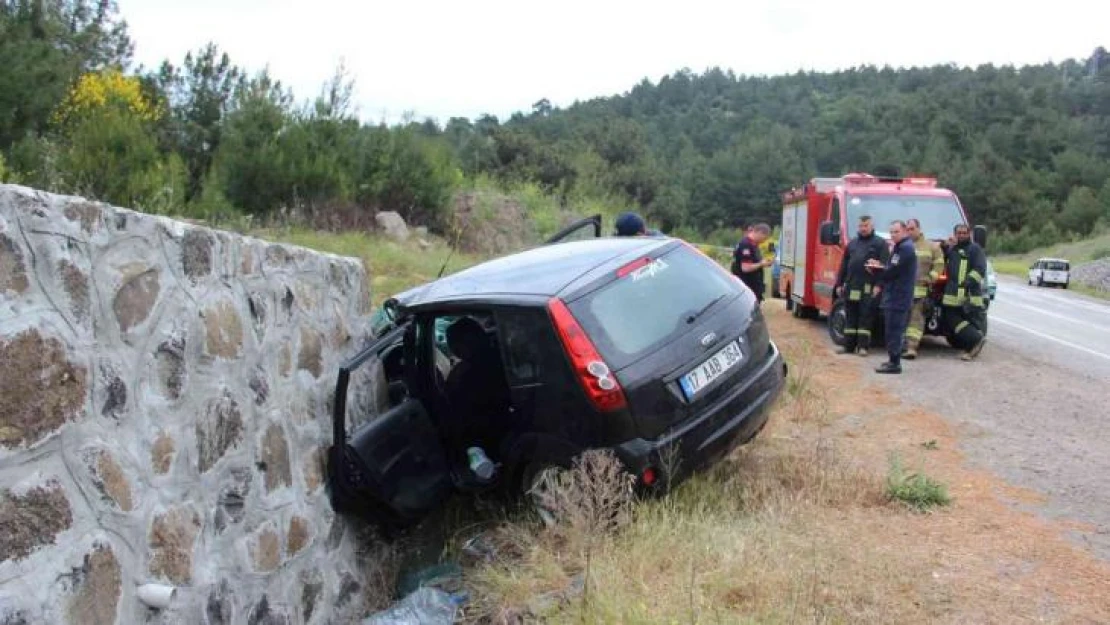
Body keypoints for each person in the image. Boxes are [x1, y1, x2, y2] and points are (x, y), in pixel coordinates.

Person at [867, 220, 917, 374]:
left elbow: (892, 271)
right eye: (891, 232)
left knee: (894, 330)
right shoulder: (899, 248)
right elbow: (891, 268)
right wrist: (880, 265)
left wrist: (876, 270)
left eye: (896, 232)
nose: (893, 235)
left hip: (898, 297)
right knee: (891, 330)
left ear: (904, 231)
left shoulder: (905, 249)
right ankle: (892, 360)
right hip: (895, 295)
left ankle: (895, 364)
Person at [833, 215, 888, 356]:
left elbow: (884, 267)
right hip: (852, 286)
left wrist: (878, 286)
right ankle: (848, 346)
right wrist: (839, 283)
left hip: (868, 287)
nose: (863, 229)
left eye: (866, 226)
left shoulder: (880, 244)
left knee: (866, 317)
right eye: (861, 226)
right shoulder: (852, 244)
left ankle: (863, 347)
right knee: (850, 315)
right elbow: (844, 265)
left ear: (872, 226)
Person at [941, 224, 988, 361]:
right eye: (958, 233)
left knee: (959, 320)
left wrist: (968, 282)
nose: (961, 235)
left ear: (969, 234)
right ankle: (971, 345)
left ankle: (976, 340)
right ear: (954, 234)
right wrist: (944, 245)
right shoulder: (953, 249)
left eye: (964, 233)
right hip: (953, 295)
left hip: (969, 295)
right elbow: (944, 258)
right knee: (952, 319)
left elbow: (980, 269)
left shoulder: (975, 249)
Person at [902, 218, 944, 359]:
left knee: (916, 321)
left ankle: (911, 348)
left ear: (919, 229)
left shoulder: (931, 247)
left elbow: (939, 265)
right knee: (900, 320)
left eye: (912, 229)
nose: (909, 232)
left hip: (919, 292)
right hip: (901, 292)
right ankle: (899, 345)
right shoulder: (901, 246)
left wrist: (931, 278)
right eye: (907, 229)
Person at [731, 223, 773, 303]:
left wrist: (764, 262)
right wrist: (761, 264)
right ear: (760, 233)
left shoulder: (753, 245)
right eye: (765, 238)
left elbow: (753, 261)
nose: (764, 240)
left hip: (753, 287)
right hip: (748, 287)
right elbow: (745, 268)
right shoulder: (746, 245)